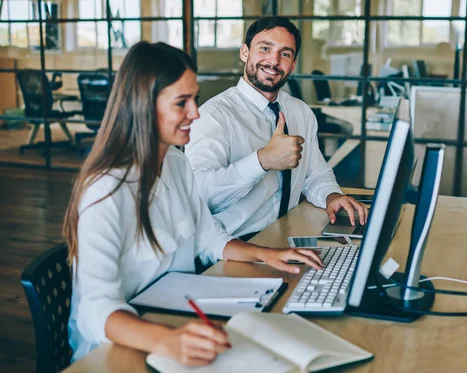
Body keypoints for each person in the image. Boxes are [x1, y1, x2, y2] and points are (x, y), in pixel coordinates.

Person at [62, 41, 322, 367]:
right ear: (143, 105)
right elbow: (94, 310)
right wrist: (165, 340)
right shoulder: (105, 192)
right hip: (122, 347)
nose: (195, 113)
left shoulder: (175, 163)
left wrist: (267, 255)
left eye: (194, 99)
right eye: (181, 103)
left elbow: (208, 237)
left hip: (175, 319)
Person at [185, 16, 368, 240]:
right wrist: (262, 161)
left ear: (293, 64)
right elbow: (201, 195)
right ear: (245, 53)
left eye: (285, 53)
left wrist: (331, 195)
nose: (273, 61)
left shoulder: (300, 112)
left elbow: (315, 173)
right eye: (264, 48)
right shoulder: (214, 116)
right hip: (233, 246)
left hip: (289, 235)